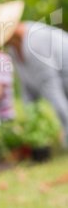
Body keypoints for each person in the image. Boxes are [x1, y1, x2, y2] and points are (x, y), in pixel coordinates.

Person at [6, 18, 68, 146]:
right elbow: (27, 85)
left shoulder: (35, 41)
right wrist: (30, 122)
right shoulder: (13, 47)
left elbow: (51, 87)